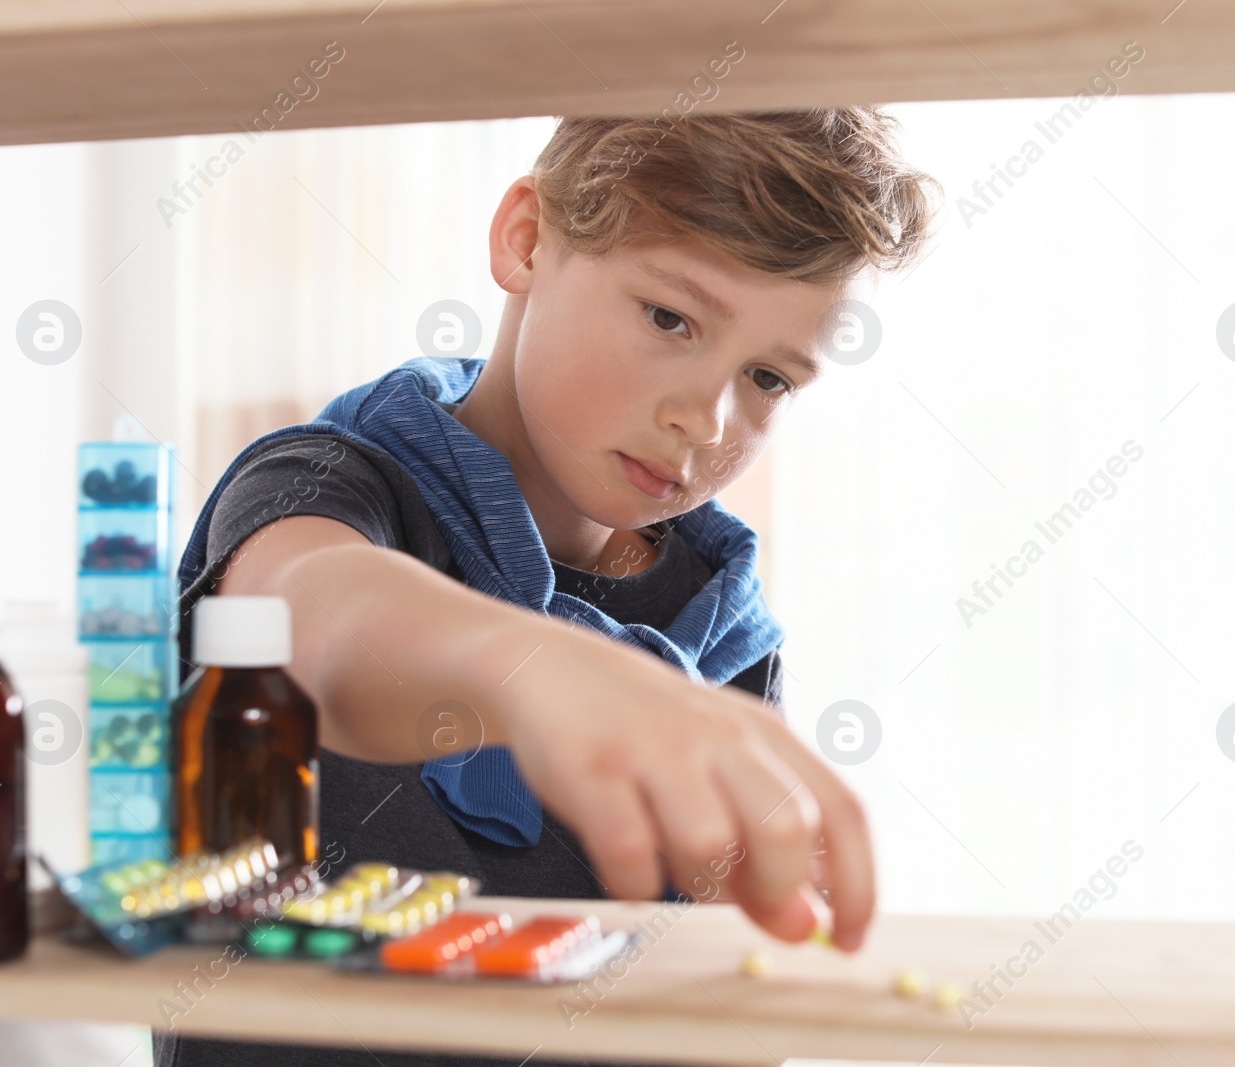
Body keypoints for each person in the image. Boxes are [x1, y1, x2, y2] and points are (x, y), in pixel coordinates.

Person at [155, 106, 939, 1067]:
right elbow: (308, 612)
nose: (706, 416)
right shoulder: (332, 484)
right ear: (527, 241)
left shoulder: (728, 630)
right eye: (669, 317)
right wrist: (534, 668)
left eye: (769, 378)